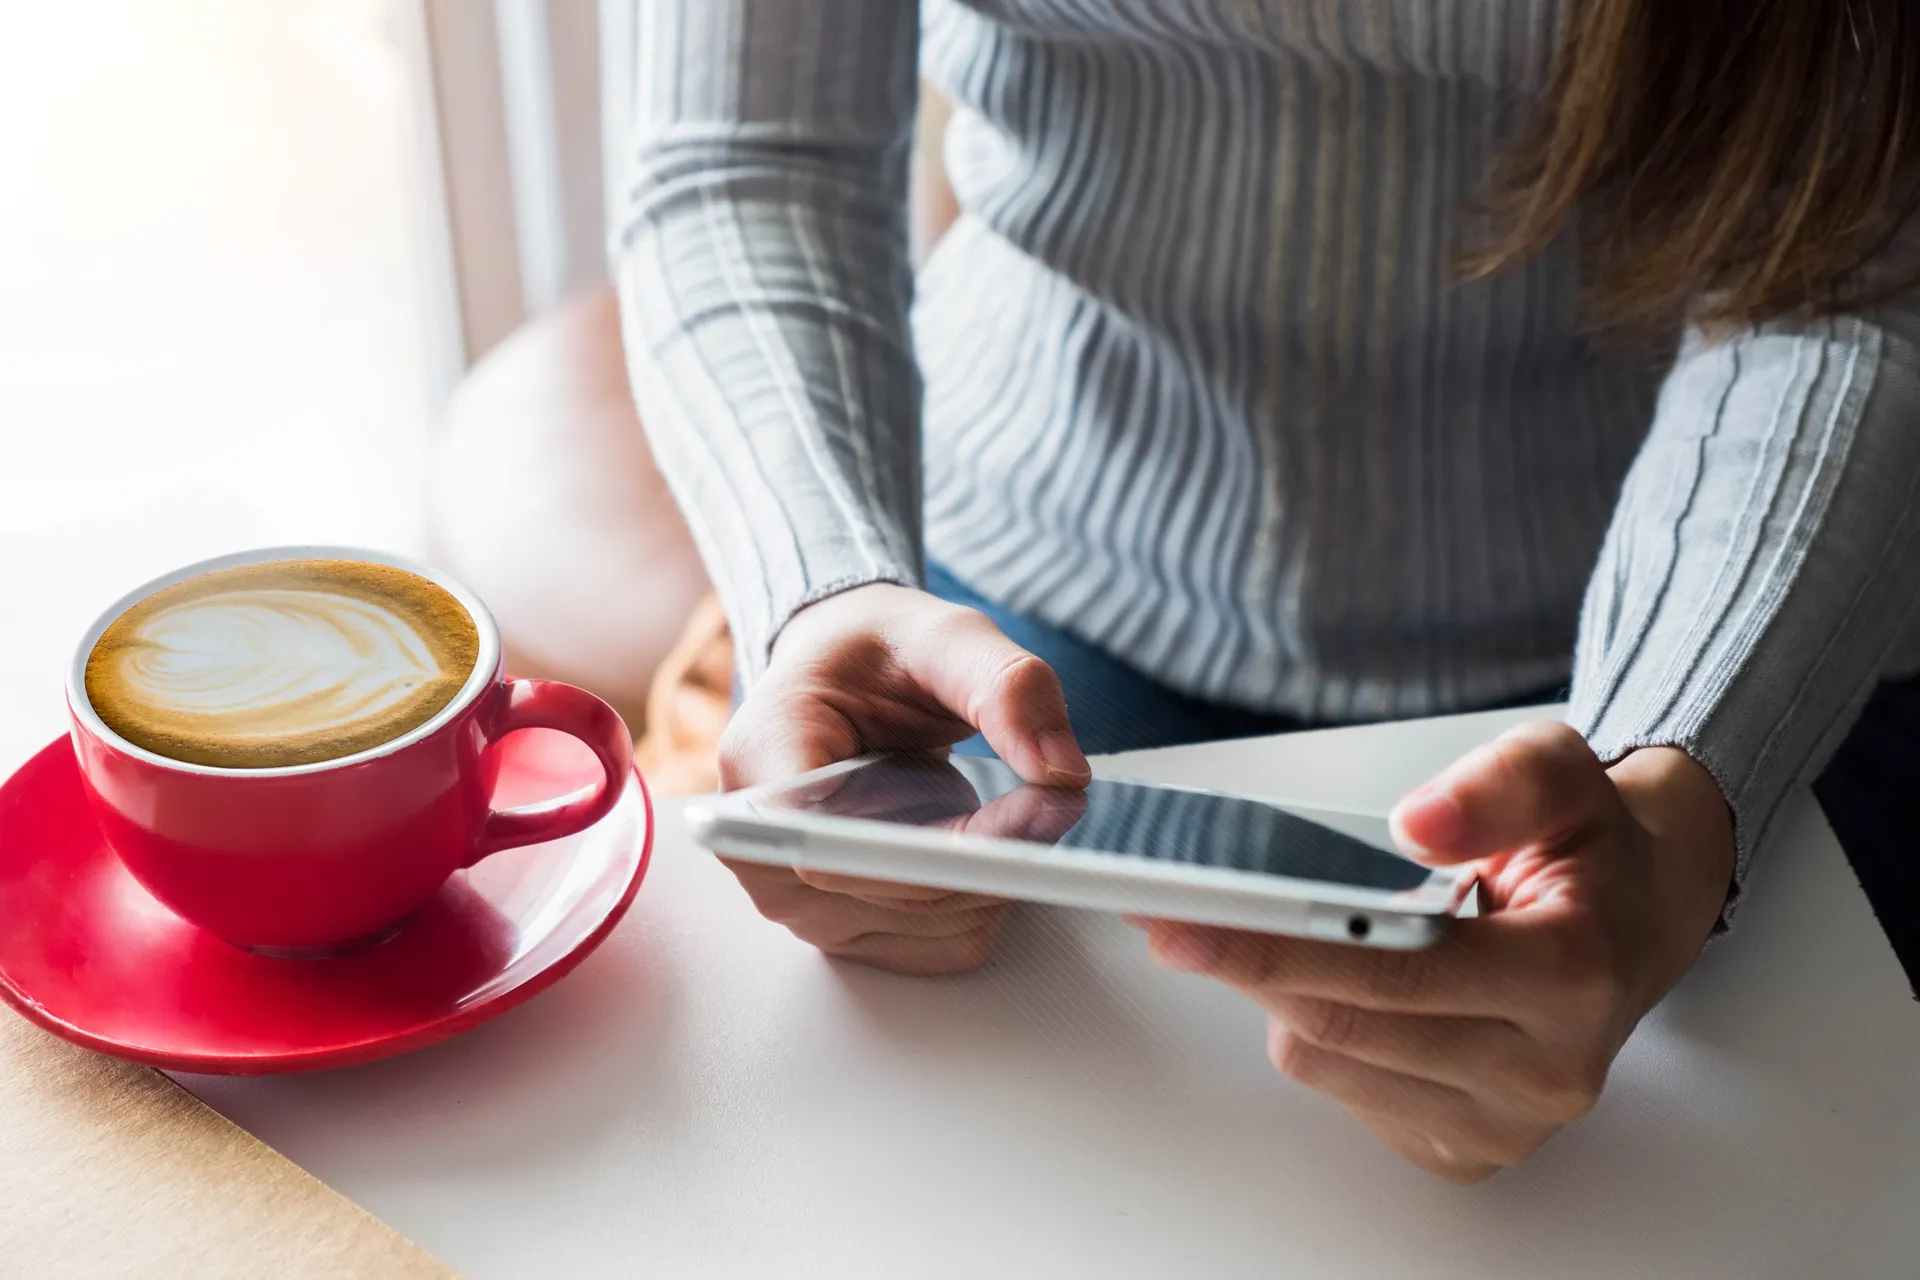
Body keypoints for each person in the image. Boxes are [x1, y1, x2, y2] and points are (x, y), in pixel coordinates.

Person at [609, 0, 1920, 1182]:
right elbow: (746, 157)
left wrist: (1677, 782)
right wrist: (820, 582)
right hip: (984, 637)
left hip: (1711, 640)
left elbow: (1849, 275)